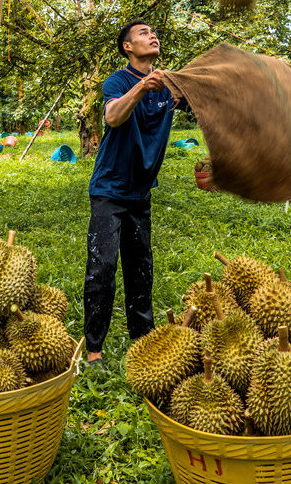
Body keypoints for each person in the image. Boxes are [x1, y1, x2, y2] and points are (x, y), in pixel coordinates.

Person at [83, 19, 190, 368]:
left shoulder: (170, 86)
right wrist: (143, 87)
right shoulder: (118, 81)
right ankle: (94, 350)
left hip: (140, 194)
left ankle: (143, 341)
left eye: (153, 31)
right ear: (128, 47)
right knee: (103, 267)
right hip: (109, 190)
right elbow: (113, 117)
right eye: (143, 33)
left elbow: (207, 105)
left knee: (140, 269)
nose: (152, 35)